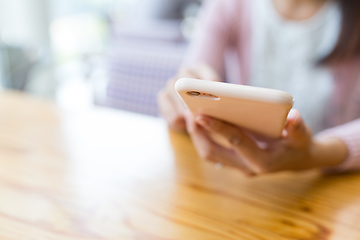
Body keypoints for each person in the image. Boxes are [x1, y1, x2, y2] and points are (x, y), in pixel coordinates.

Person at [157, 0, 360, 176]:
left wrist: (318, 153)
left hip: (331, 182)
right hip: (240, 182)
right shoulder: (231, 5)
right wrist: (180, 108)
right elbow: (192, 78)